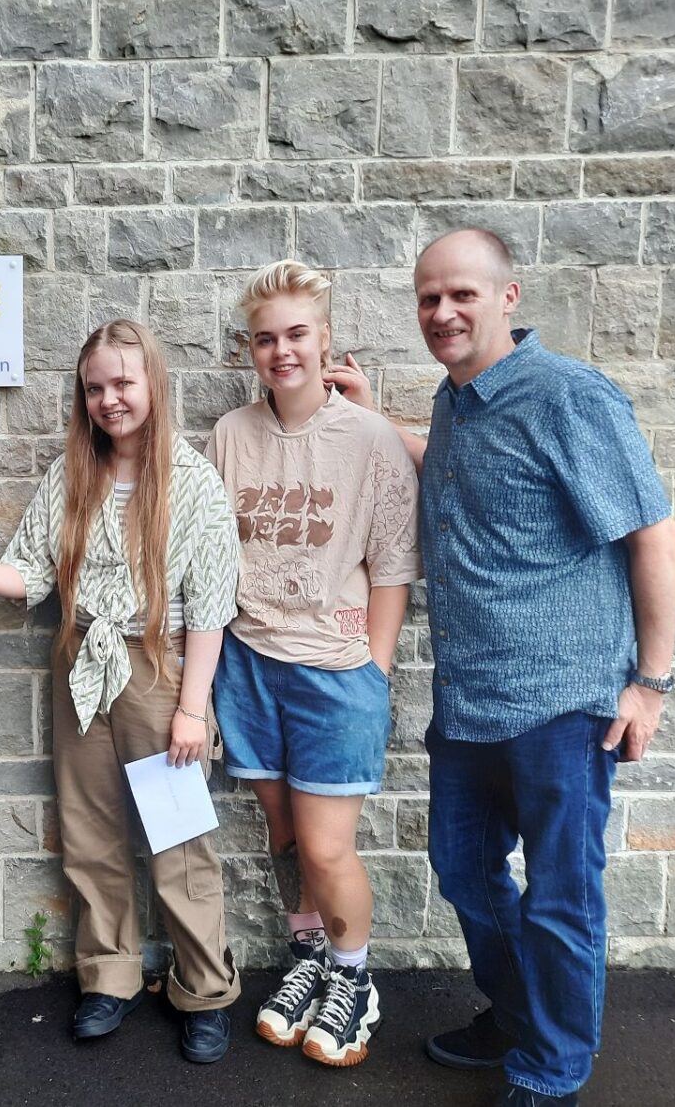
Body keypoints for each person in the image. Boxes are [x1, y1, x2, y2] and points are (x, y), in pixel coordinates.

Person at [342, 228, 675, 1106]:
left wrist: (649, 683)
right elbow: (459, 476)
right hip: (470, 702)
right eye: (428, 298)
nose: (442, 312)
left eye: (461, 294)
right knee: (463, 869)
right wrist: (377, 420)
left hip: (562, 704)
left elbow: (654, 532)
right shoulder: (457, 400)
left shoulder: (568, 397)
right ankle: (522, 1012)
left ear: (508, 296)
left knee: (562, 898)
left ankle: (551, 1067)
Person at [0, 319, 243, 1064]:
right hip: (82, 657)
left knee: (178, 834)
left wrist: (192, 708)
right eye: (95, 387)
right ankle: (109, 975)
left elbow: (211, 606)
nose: (110, 399)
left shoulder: (191, 480)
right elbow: (35, 571)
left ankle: (203, 987)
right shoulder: (71, 476)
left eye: (123, 382)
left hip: (159, 663)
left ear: (152, 382)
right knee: (91, 828)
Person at [205, 261, 420, 1069]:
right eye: (266, 338)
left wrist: (376, 665)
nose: (282, 350)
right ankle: (310, 959)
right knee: (288, 833)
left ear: (326, 340)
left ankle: (354, 979)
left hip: (336, 670)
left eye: (297, 334)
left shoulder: (370, 439)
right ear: (250, 350)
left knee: (330, 847)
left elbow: (395, 561)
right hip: (251, 663)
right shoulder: (231, 434)